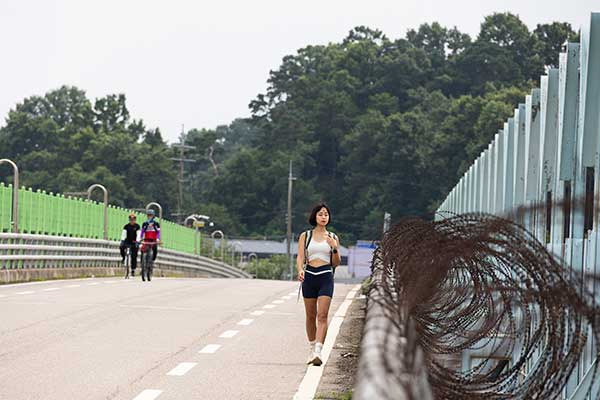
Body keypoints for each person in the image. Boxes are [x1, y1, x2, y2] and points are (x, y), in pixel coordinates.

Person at [297, 203, 341, 366]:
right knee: (310, 315)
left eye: (326, 214)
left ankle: (318, 350)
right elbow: (300, 257)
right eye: (321, 214)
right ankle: (311, 346)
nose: (324, 217)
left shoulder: (333, 237)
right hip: (309, 276)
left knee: (322, 315)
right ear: (315, 216)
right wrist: (300, 270)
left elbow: (336, 263)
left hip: (325, 276)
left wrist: (334, 248)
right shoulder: (305, 236)